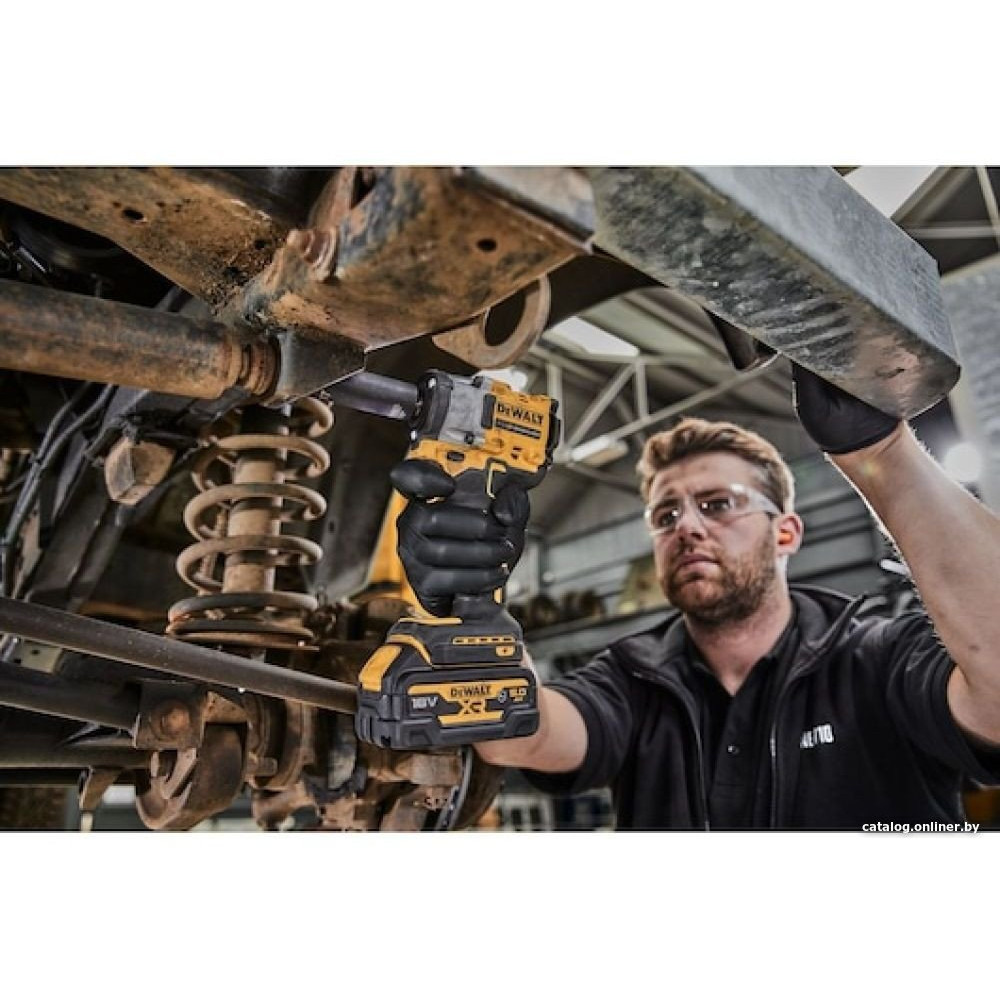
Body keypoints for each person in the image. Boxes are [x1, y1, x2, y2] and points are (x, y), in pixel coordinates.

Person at [391, 365, 1000, 829]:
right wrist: (469, 605)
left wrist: (882, 454)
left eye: (717, 504)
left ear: (785, 533)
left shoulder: (877, 653)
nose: (687, 526)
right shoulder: (632, 675)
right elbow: (520, 735)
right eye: (666, 515)